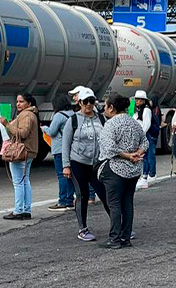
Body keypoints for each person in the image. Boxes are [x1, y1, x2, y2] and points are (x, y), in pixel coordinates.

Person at [97, 93, 148, 249]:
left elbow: (109, 148)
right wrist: (137, 153)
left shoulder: (111, 124)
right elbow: (145, 142)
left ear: (111, 107)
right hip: (133, 171)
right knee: (127, 203)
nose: (104, 109)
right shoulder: (134, 123)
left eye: (105, 106)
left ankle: (114, 238)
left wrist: (127, 155)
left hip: (116, 169)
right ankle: (126, 238)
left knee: (114, 204)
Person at [62, 88, 110, 241]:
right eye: (85, 101)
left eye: (91, 101)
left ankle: (119, 225)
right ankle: (82, 229)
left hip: (97, 164)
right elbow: (65, 144)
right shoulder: (73, 120)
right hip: (78, 163)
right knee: (82, 195)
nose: (89, 104)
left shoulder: (102, 119)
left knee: (106, 194)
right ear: (80, 103)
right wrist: (66, 165)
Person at [0, 93, 40, 220]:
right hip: (28, 152)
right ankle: (26, 209)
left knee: (18, 182)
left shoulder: (26, 115)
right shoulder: (30, 114)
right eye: (17, 101)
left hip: (22, 152)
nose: (18, 104)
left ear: (28, 103)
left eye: (21, 101)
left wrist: (7, 124)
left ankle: (19, 210)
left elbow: (22, 133)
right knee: (25, 181)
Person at [46, 93, 76, 212]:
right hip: (71, 148)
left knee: (61, 175)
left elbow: (52, 132)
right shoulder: (73, 114)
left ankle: (62, 201)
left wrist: (44, 128)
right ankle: (69, 200)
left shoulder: (59, 115)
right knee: (70, 175)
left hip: (59, 149)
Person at [133, 90, 156, 189]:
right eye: (136, 99)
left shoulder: (146, 110)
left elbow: (146, 125)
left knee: (145, 157)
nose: (137, 101)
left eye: (139, 99)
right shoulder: (139, 110)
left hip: (144, 136)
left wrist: (140, 136)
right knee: (143, 157)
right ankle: (143, 177)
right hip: (141, 136)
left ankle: (145, 177)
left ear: (144, 100)